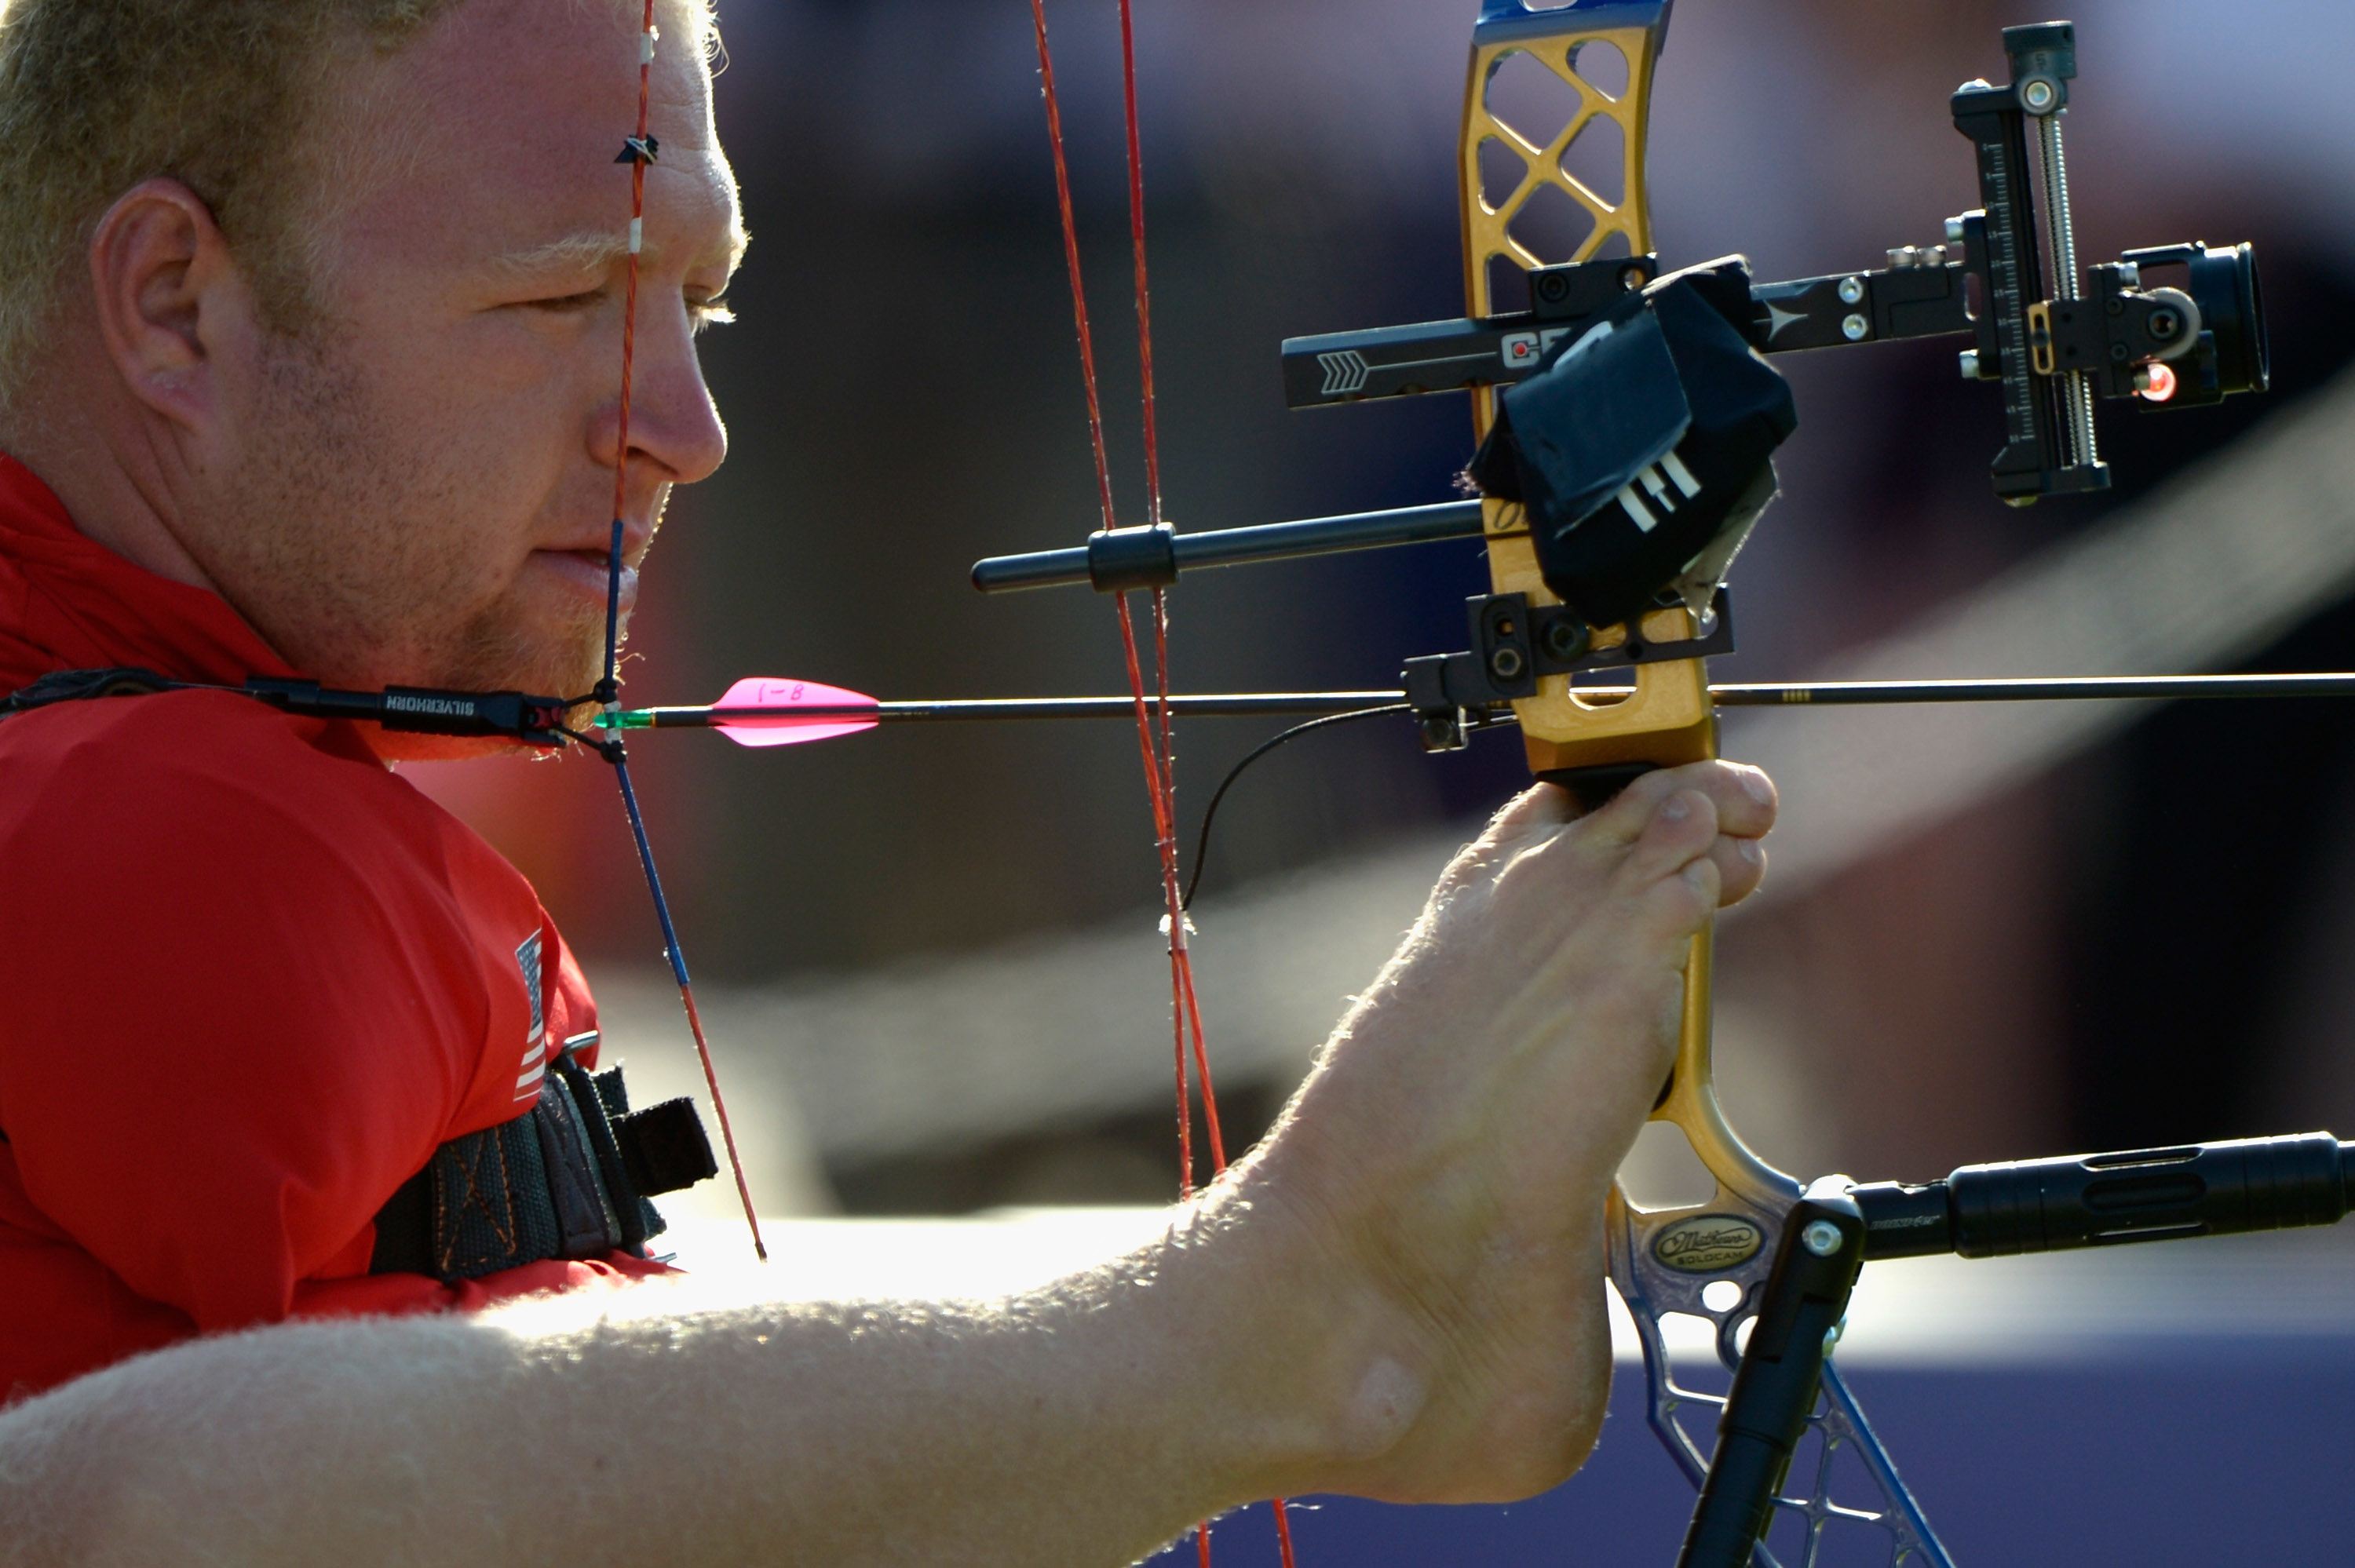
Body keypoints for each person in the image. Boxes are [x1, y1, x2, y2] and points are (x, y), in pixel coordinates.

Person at [0, 0, 1778, 1561]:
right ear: (173, 306)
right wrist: (1272, 1311)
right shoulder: (162, 833)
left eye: (700, 305)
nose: (685, 429)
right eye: (560, 296)